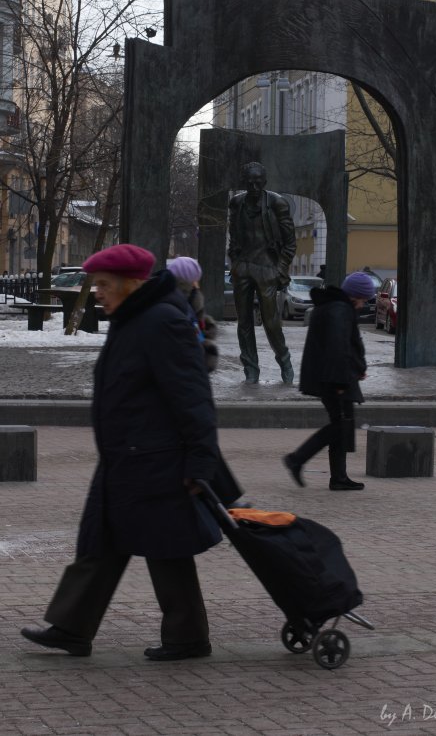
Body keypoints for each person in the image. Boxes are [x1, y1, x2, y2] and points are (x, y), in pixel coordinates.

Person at [21, 244, 222, 661]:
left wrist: (201, 460)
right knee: (100, 544)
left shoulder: (161, 321)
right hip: (126, 458)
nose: (96, 291)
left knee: (166, 550)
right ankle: (72, 628)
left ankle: (187, 639)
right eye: (95, 283)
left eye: (103, 284)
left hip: (155, 459)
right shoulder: (133, 317)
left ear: (131, 284)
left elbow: (193, 397)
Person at [283, 271, 376, 491]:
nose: (363, 304)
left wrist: (357, 368)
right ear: (355, 295)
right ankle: (297, 459)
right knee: (340, 426)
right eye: (363, 299)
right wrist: (341, 382)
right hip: (335, 378)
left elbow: (345, 345)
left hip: (333, 375)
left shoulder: (334, 306)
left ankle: (339, 478)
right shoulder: (339, 310)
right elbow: (337, 348)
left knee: (342, 425)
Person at [167, 255, 246, 506]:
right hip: (182, 387)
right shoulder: (180, 304)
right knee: (199, 443)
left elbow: (198, 329)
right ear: (190, 280)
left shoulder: (185, 299)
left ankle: (225, 498)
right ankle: (226, 500)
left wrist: (206, 330)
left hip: (183, 386)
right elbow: (191, 341)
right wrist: (206, 349)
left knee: (199, 445)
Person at [228, 162, 296, 384]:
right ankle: (251, 369)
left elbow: (290, 243)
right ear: (244, 182)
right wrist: (234, 261)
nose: (254, 186)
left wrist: (280, 269)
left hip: (267, 268)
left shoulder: (277, 203)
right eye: (250, 182)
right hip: (243, 268)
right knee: (244, 322)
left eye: (258, 182)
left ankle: (284, 361)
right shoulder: (236, 203)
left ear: (264, 182)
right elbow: (234, 236)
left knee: (271, 321)